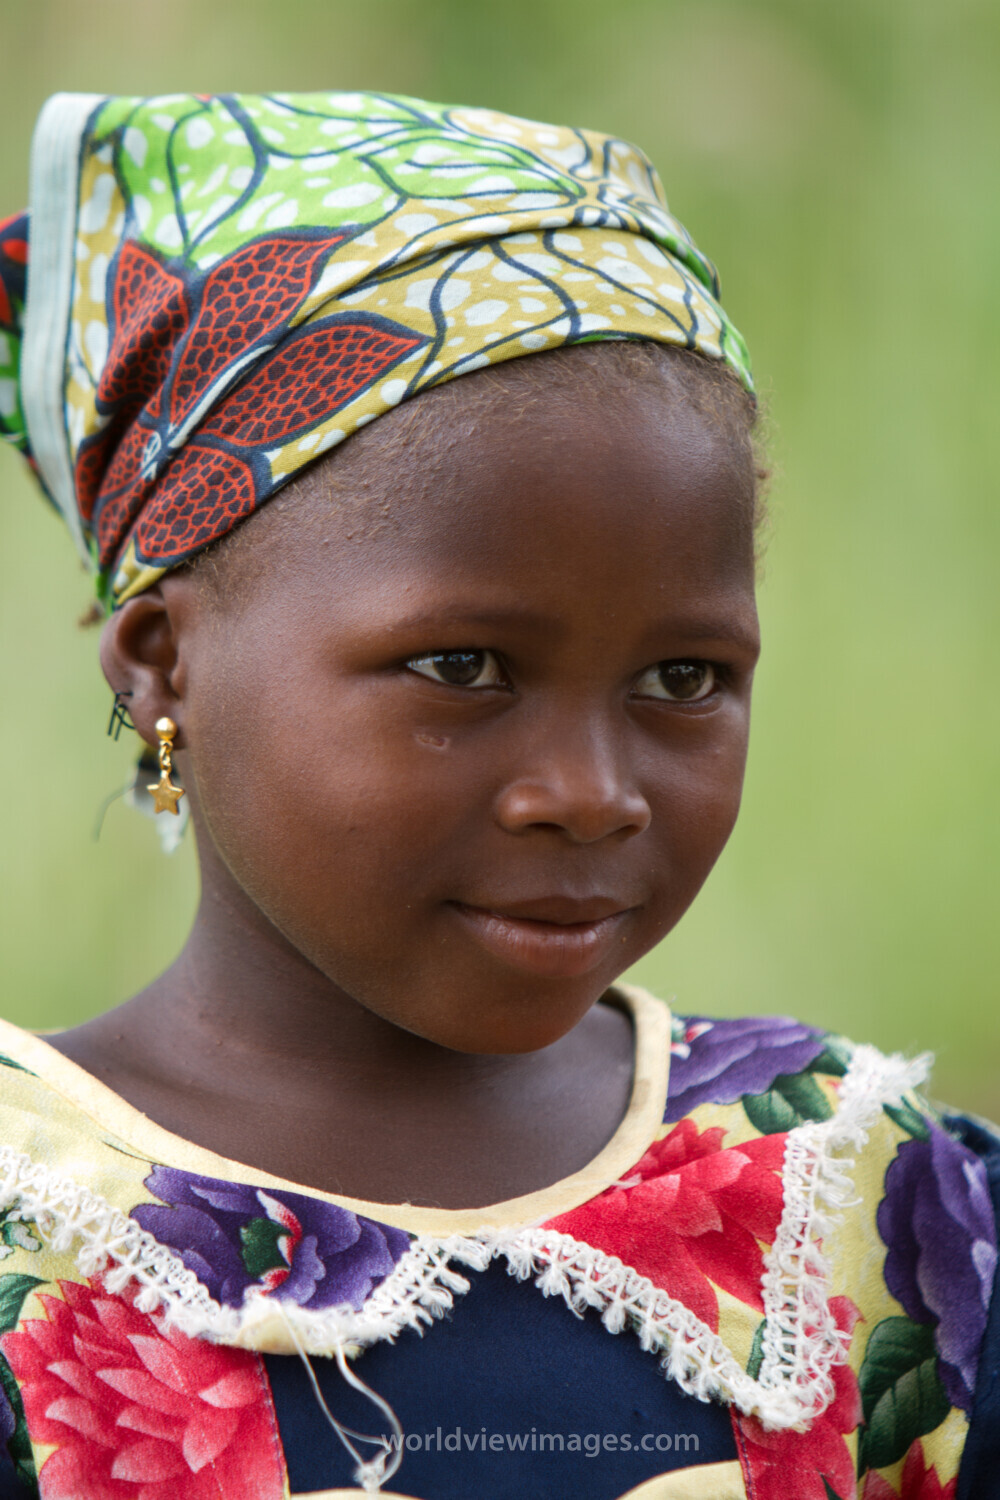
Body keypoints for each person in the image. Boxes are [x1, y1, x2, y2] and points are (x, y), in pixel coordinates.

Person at [0, 89, 996, 1500]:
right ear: (167, 666)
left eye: (684, 679)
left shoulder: (866, 1202)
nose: (590, 795)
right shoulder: (34, 1234)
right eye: (461, 667)